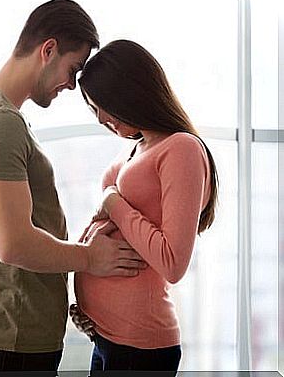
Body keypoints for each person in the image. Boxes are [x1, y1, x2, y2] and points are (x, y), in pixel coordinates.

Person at [0, 1, 147, 375]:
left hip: (12, 340)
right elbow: (13, 244)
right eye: (73, 69)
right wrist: (91, 258)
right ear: (48, 50)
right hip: (12, 344)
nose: (72, 84)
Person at [70, 39, 219, 375]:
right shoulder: (138, 148)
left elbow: (172, 262)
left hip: (139, 346)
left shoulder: (182, 148)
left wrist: (112, 201)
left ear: (132, 91)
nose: (101, 118)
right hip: (108, 337)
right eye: (93, 109)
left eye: (104, 105)